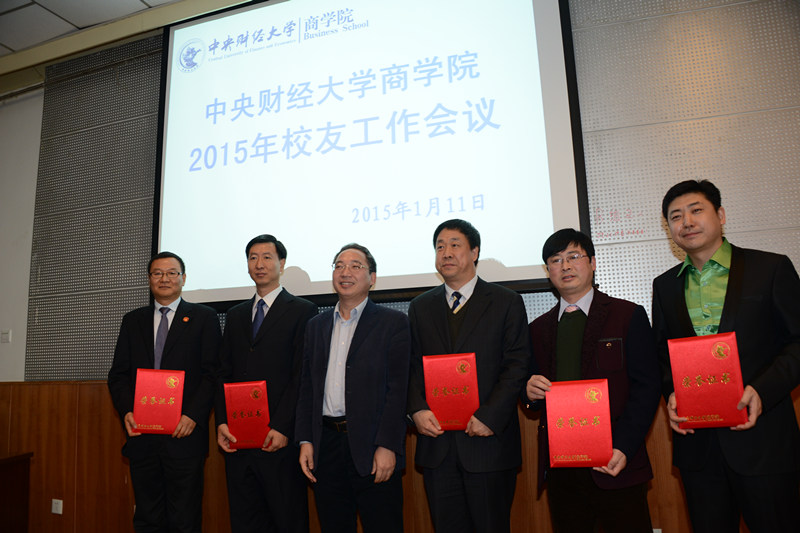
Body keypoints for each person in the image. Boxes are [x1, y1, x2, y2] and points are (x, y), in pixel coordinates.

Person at [653, 179, 800, 533]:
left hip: (764, 443)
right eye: (676, 216)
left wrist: (762, 390)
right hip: (698, 450)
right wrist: (672, 393)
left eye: (696, 210)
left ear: (720, 215)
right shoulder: (665, 285)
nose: (686, 222)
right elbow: (663, 356)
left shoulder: (770, 268)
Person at [524, 229, 661, 532]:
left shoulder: (627, 315)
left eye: (574, 256)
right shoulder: (537, 329)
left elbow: (647, 387)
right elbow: (531, 393)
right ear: (548, 271)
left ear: (593, 262)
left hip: (616, 461)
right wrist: (529, 391)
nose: (565, 266)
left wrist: (624, 447)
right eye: (555, 260)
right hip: (563, 470)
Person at [406, 219, 531, 533]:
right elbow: (411, 366)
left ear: (474, 252)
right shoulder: (420, 307)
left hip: (488, 443)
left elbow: (517, 365)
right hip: (437, 446)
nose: (446, 253)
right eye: (440, 247)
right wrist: (417, 409)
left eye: (455, 245)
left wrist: (490, 416)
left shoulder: (505, 301)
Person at [296, 243, 410, 533]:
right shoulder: (316, 326)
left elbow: (398, 390)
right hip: (326, 446)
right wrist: (306, 440)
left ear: (372, 278)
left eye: (355, 266)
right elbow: (307, 388)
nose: (345, 272)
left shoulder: (393, 323)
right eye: (339, 266)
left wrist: (387, 445)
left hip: (373, 446)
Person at [108, 251, 221, 533]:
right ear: (149, 279)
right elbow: (118, 375)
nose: (165, 279)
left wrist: (193, 416)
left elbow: (212, 374)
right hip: (142, 436)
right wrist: (127, 411)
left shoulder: (204, 318)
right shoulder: (132, 321)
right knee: (147, 517)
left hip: (184, 435)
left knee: (184, 518)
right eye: (157, 273)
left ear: (184, 278)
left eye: (172, 273)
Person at [215, 234, 318, 533]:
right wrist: (222, 422)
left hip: (279, 439)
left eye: (267, 257)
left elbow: (301, 375)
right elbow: (223, 372)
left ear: (281, 264)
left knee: (287, 519)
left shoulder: (303, 310)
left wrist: (283, 427)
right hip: (238, 438)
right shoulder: (235, 315)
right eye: (253, 258)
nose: (259, 264)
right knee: (246, 520)